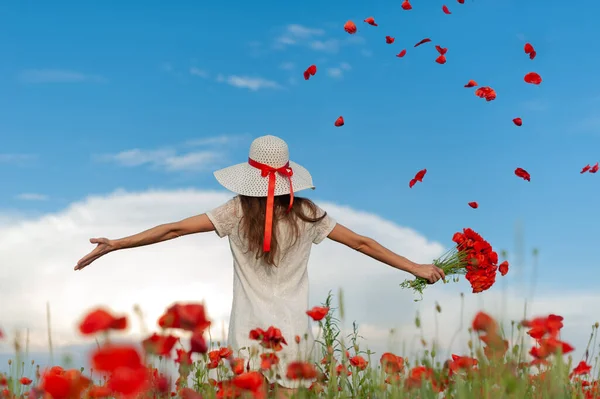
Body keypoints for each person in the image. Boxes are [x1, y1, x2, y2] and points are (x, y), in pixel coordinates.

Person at [74, 135, 445, 398]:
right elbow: (363, 243)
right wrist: (415, 267)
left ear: (250, 175)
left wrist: (117, 244)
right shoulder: (309, 214)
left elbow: (173, 229)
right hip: (294, 331)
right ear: (287, 175)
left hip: (247, 331)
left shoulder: (235, 211)